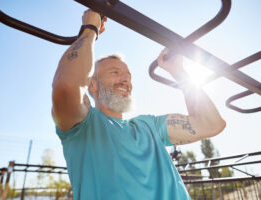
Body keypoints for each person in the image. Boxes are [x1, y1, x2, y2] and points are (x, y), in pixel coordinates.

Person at [52, 9, 226, 200]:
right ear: (91, 84)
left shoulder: (148, 126)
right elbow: (67, 85)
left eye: (128, 76)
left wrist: (179, 72)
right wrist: (90, 29)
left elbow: (211, 124)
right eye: (115, 73)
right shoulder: (83, 127)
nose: (125, 80)